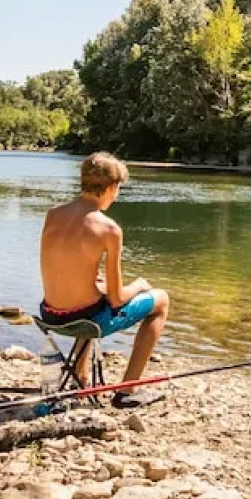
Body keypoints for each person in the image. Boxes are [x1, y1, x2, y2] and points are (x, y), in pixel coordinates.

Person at [38, 151, 171, 408]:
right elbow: (117, 299)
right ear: (111, 187)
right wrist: (139, 285)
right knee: (161, 301)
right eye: (118, 188)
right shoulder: (109, 229)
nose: (116, 195)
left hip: (50, 315)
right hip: (87, 322)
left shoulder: (53, 214)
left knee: (92, 297)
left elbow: (61, 267)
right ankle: (127, 390)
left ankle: (81, 376)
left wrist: (94, 282)